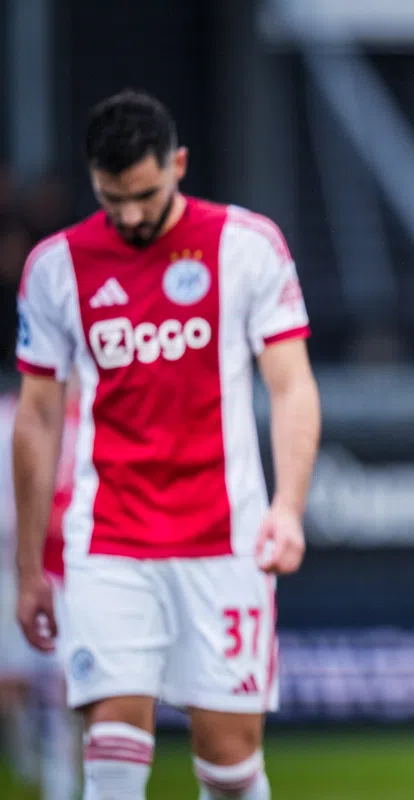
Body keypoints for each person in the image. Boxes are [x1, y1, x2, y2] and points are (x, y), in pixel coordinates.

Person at [12, 89, 321, 800]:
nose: (129, 215)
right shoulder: (56, 267)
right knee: (113, 746)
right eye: (111, 198)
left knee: (229, 764)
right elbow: (37, 419)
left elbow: (291, 386)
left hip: (225, 541)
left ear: (178, 165)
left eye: (144, 196)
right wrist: (29, 567)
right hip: (108, 543)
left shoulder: (247, 245)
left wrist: (288, 507)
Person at [0, 387, 79, 800]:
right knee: (18, 682)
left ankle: (62, 771)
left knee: (67, 682)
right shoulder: (13, 418)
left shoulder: (88, 415)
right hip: (23, 567)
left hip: (78, 570)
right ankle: (30, 755)